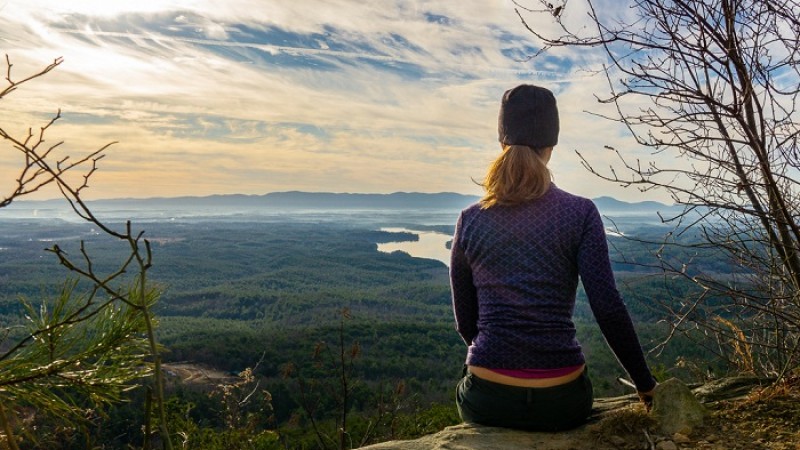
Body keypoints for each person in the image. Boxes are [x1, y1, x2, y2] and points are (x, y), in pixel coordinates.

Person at [450, 84, 657, 431]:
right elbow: (607, 308)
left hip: (487, 399)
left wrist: (499, 355)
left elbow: (466, 323)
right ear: (551, 146)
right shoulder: (581, 213)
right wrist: (645, 385)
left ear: (502, 142)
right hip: (562, 401)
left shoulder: (471, 219)